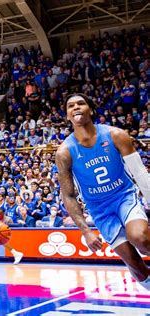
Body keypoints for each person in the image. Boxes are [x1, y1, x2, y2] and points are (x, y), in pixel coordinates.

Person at [56, 93, 150, 290]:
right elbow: (68, 195)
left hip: (124, 196)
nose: (76, 107)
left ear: (90, 109)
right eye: (71, 106)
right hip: (99, 210)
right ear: (67, 116)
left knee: (140, 237)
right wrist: (86, 231)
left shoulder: (116, 135)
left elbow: (140, 173)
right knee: (136, 266)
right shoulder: (64, 152)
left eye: (81, 103)